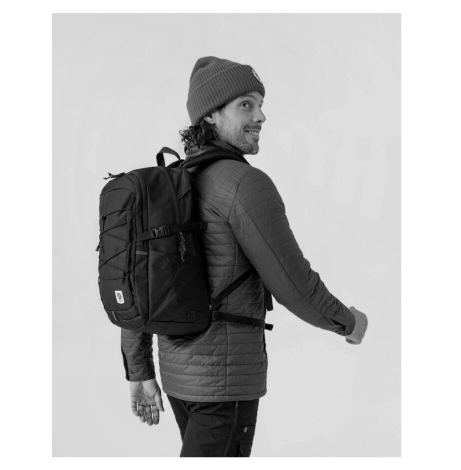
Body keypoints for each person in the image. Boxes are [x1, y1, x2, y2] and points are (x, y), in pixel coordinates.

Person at [120, 56, 369, 457]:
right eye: (246, 105)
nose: (261, 116)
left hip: (177, 379)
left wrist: (139, 370)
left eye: (260, 104)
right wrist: (350, 322)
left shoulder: (169, 183)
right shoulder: (244, 184)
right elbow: (293, 283)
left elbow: (137, 281)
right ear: (211, 114)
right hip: (225, 384)